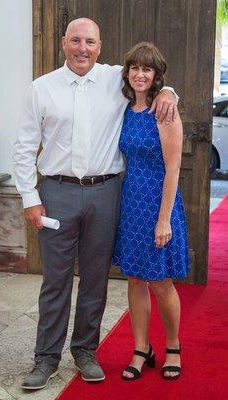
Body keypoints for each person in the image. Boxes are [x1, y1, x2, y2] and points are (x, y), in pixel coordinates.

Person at [13, 18, 178, 390]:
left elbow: (148, 80)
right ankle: (46, 359)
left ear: (100, 47)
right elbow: (24, 147)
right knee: (55, 281)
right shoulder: (42, 89)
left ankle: (85, 352)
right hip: (56, 193)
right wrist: (29, 198)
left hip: (106, 193)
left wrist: (171, 93)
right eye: (75, 41)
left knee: (94, 281)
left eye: (89, 41)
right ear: (63, 43)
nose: (82, 48)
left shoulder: (113, 80)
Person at [113, 42, 190, 381]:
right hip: (131, 201)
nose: (140, 74)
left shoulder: (165, 111)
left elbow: (173, 168)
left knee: (159, 281)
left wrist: (163, 219)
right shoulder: (126, 107)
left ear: (157, 75)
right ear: (128, 72)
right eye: (135, 68)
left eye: (148, 69)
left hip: (160, 203)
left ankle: (173, 346)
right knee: (134, 278)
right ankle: (141, 348)